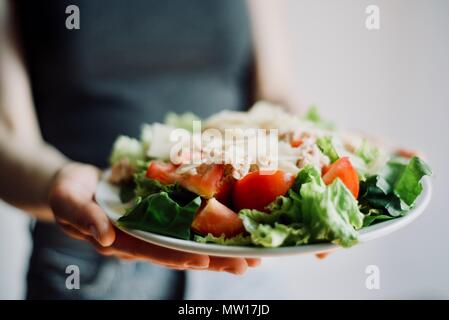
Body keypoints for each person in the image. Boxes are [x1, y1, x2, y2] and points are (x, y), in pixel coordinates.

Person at [0, 0, 299, 299]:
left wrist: (312, 162)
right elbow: (7, 134)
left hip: (244, 259)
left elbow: (273, 96)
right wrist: (56, 179)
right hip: (90, 260)